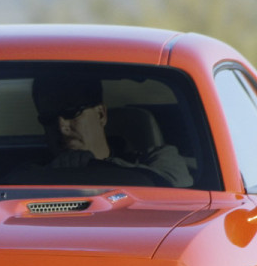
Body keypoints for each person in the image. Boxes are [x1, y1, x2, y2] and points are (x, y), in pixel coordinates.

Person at [27, 74, 194, 187]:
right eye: (48, 118)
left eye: (71, 113)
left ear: (100, 114)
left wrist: (94, 166)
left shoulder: (158, 159)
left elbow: (173, 186)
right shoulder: (32, 174)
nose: (61, 127)